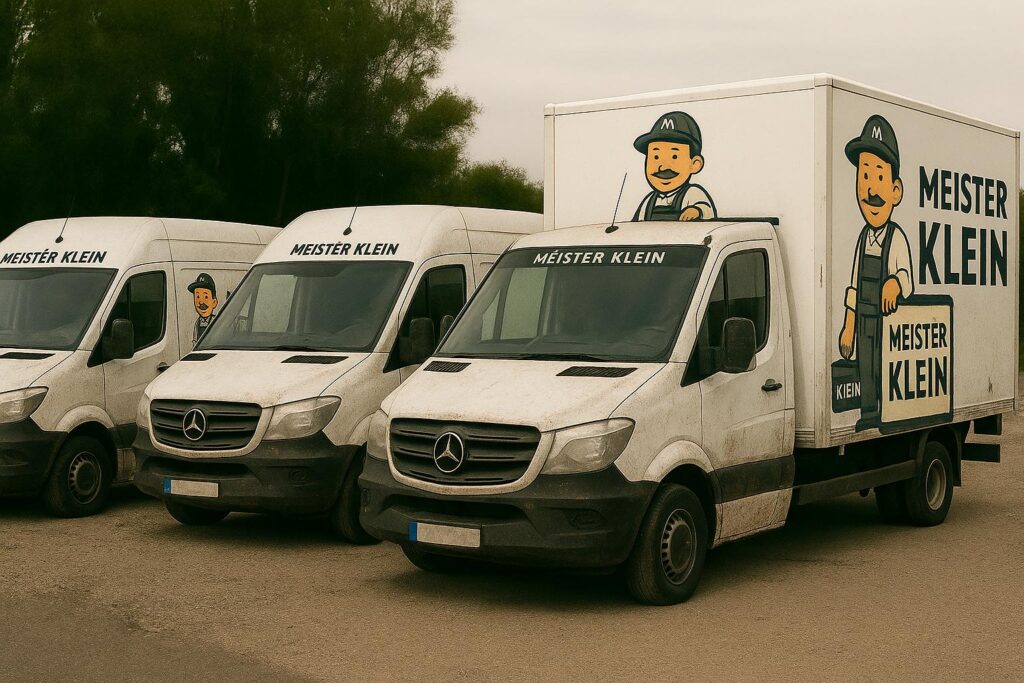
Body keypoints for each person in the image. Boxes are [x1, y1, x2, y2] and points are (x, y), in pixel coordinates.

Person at [837, 114, 914, 429]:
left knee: (885, 365)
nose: (870, 188)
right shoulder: (862, 239)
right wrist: (849, 327)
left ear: (895, 190)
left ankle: (886, 411)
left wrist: (894, 284)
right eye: (864, 175)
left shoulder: (896, 238)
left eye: (879, 176)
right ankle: (868, 413)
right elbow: (854, 287)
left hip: (888, 322)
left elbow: (906, 277)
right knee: (865, 365)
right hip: (864, 318)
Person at [631, 111, 716, 222]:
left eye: (674, 156)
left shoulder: (692, 193)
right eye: (656, 157)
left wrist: (696, 211)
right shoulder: (649, 201)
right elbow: (636, 225)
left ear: (695, 164)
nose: (662, 167)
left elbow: (707, 211)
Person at [188, 272, 219, 347]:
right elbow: (195, 340)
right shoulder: (197, 323)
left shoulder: (216, 321)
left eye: (206, 297)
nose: (201, 302)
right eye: (198, 297)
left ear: (214, 302)